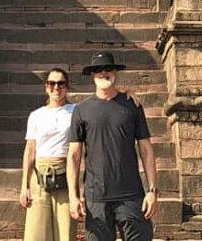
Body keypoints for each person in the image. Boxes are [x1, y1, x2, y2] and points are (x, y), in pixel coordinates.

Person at [67, 52, 158, 241]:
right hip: (96, 198)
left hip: (131, 195)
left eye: (108, 68)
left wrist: (152, 191)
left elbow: (146, 149)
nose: (103, 72)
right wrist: (73, 196)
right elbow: (74, 156)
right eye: (98, 69)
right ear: (92, 74)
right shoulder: (81, 110)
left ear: (115, 72)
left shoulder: (132, 105)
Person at [20, 68, 78, 241]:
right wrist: (24, 186)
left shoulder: (76, 111)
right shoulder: (36, 115)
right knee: (36, 233)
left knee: (65, 232)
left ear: (67, 86)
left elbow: (100, 100)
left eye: (61, 83)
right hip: (39, 176)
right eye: (52, 83)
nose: (56, 87)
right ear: (46, 87)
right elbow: (30, 150)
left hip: (65, 175)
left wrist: (126, 93)